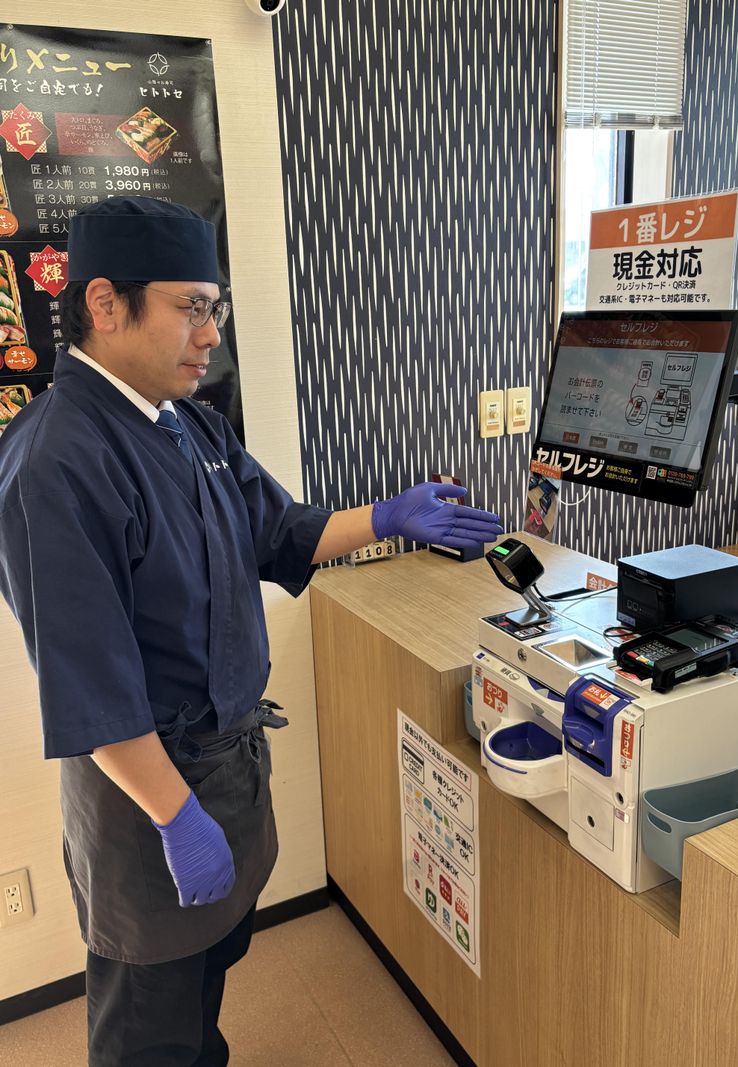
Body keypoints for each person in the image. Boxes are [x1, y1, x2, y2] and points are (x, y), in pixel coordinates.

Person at [0, 196, 502, 1067]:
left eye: (217, 310)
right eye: (191, 307)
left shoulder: (187, 422)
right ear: (105, 304)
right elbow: (91, 687)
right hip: (149, 805)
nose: (210, 336)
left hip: (226, 769)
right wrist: (176, 816)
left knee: (205, 983)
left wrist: (389, 515)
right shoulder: (55, 459)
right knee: (148, 1024)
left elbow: (280, 531)